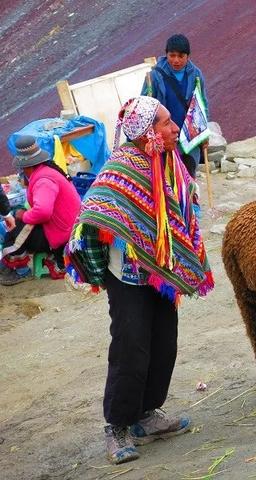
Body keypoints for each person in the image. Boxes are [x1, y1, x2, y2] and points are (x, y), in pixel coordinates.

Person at [65, 96, 215, 464]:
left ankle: (147, 415)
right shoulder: (122, 168)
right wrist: (128, 231)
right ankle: (117, 426)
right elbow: (96, 211)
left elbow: (180, 210)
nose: (174, 128)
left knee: (164, 343)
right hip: (127, 276)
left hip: (160, 275)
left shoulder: (169, 163)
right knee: (131, 348)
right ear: (148, 130)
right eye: (166, 123)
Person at [0, 136, 81, 286]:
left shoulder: (43, 180)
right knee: (19, 221)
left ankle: (20, 272)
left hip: (63, 231)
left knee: (15, 232)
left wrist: (24, 215)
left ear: (27, 166)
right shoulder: (46, 170)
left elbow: (43, 211)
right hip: (65, 224)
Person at [143, 34, 209, 178]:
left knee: (188, 177)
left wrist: (204, 134)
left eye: (181, 56)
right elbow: (145, 107)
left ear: (188, 56)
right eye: (172, 55)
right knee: (168, 178)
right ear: (166, 54)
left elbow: (202, 104)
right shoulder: (154, 76)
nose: (176, 60)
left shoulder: (196, 75)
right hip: (164, 138)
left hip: (189, 137)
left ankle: (190, 201)